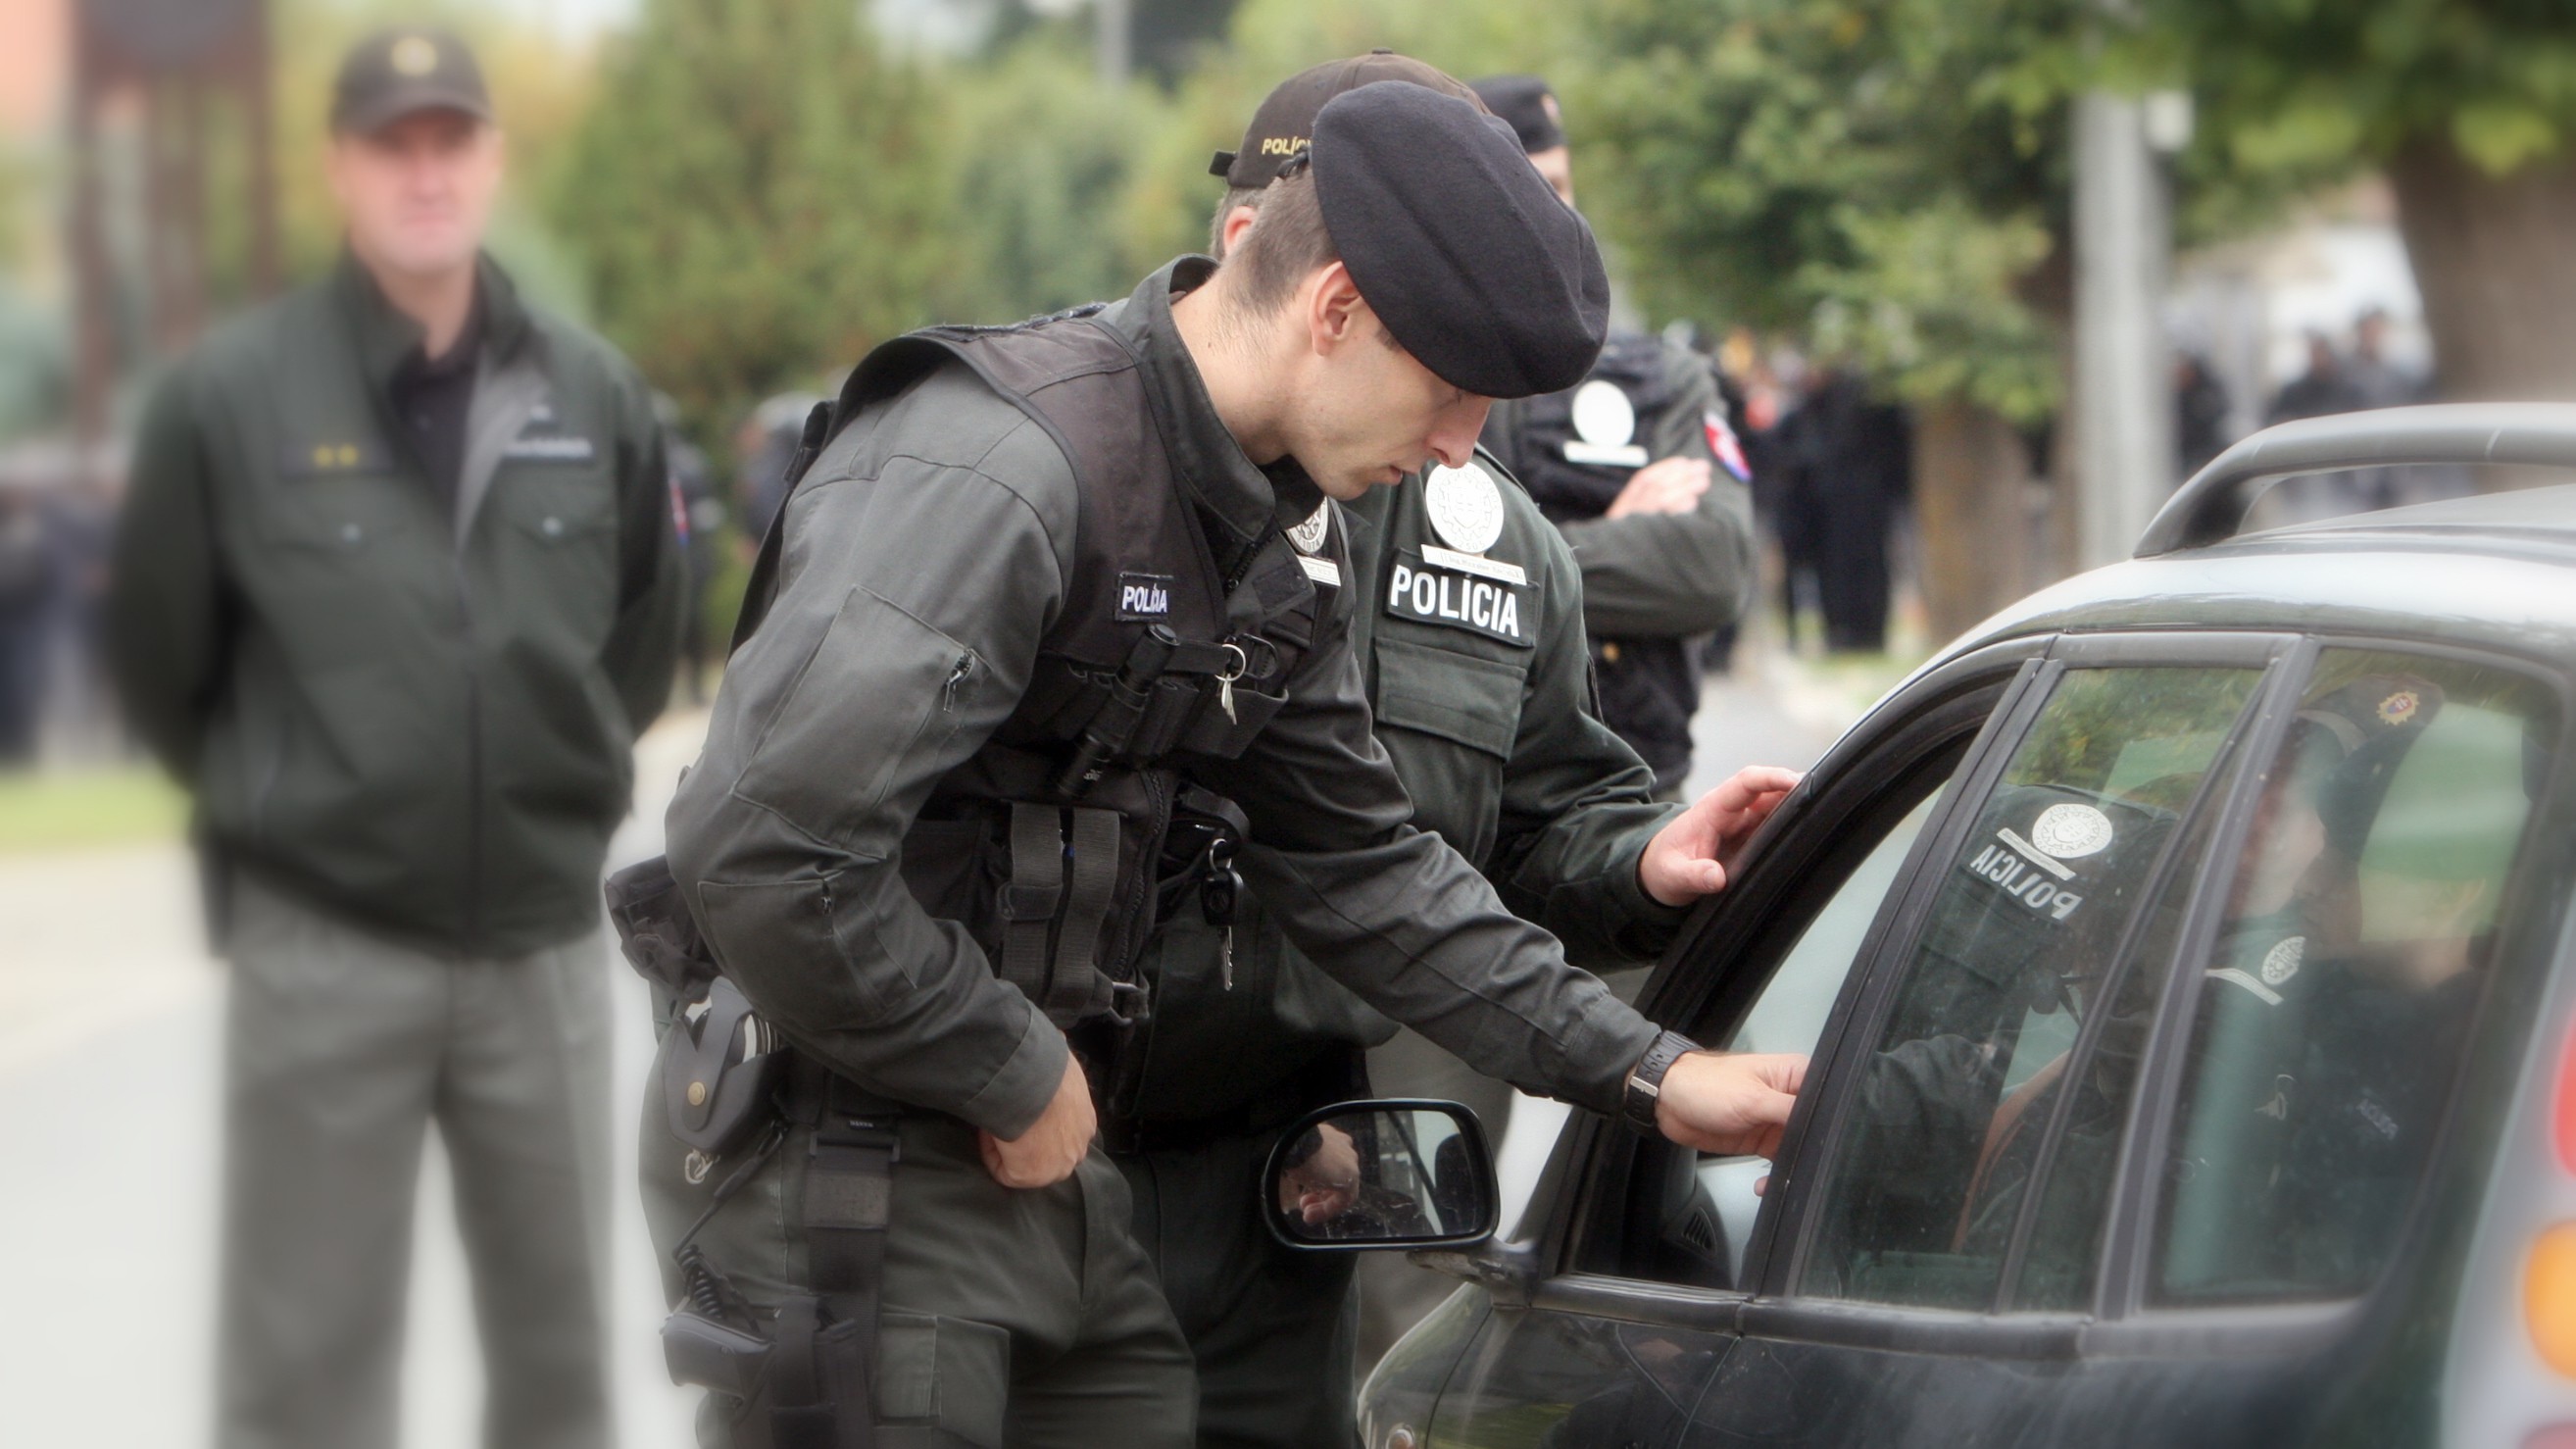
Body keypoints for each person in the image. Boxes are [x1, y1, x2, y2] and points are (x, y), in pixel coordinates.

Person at [641, 80, 1806, 1449]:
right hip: (858, 1160)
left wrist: (1659, 1074)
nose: (1460, 448)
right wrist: (1003, 1058)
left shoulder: (1265, 529)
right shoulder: (1001, 467)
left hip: (1045, 1174)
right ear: (1336, 310)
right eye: (1452, 393)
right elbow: (761, 847)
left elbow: (1367, 871)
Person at [1113, 55, 1799, 1447]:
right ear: (1269, 250)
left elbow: (1525, 823)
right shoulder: (1090, 473)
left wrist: (1645, 862)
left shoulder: (1495, 536)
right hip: (1054, 1151)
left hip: (1320, 1142)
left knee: (1408, 1351)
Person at [105, 28, 684, 1449]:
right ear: (340, 168)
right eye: (392, 144)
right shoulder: (232, 395)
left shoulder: (593, 395)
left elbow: (636, 641)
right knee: (303, 1379)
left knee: (557, 1371)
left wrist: (538, 791)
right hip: (328, 950)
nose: (425, 172)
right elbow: (162, 658)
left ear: (490, 158)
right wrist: (299, 795)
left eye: (450, 140)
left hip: (537, 954)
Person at [1469, 74, 1759, 800]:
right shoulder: (1412, 378)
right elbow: (1393, 576)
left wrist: (1521, 562)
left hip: (1639, 798)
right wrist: (1608, 539)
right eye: (1520, 187)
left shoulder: (1661, 378)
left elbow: (1715, 569)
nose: (1549, 213)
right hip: (1462, 802)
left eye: (1557, 186)